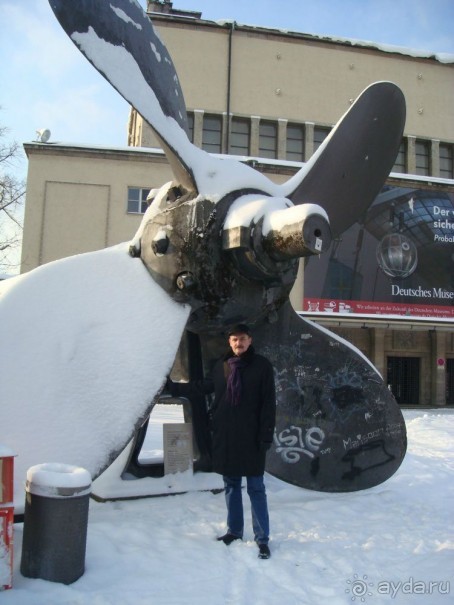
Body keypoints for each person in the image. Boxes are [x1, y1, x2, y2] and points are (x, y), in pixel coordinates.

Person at [209, 323, 276, 559]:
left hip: (252, 437)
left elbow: (269, 403)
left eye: (243, 339)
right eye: (235, 339)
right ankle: (234, 531)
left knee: (256, 488)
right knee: (231, 484)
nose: (239, 343)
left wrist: (266, 434)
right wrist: (174, 386)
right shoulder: (222, 366)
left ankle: (262, 538)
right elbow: (208, 389)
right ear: (229, 342)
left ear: (250, 340)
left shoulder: (261, 366)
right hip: (228, 436)